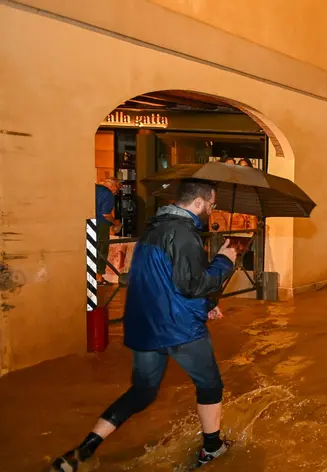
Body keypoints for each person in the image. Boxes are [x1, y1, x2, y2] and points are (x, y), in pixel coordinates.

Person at [52, 179, 238, 471]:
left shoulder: (153, 228)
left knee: (143, 392)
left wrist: (207, 305)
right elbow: (191, 285)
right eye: (212, 204)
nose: (212, 209)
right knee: (210, 384)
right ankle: (212, 448)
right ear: (199, 202)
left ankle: (84, 449)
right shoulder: (184, 234)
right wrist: (224, 262)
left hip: (145, 326)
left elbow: (164, 281)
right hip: (179, 328)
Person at [95, 177, 121, 283]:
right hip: (101, 223)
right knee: (102, 248)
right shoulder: (108, 194)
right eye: (117, 190)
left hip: (89, 222)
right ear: (113, 186)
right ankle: (99, 276)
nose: (115, 193)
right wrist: (115, 222)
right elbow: (105, 214)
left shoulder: (93, 188)